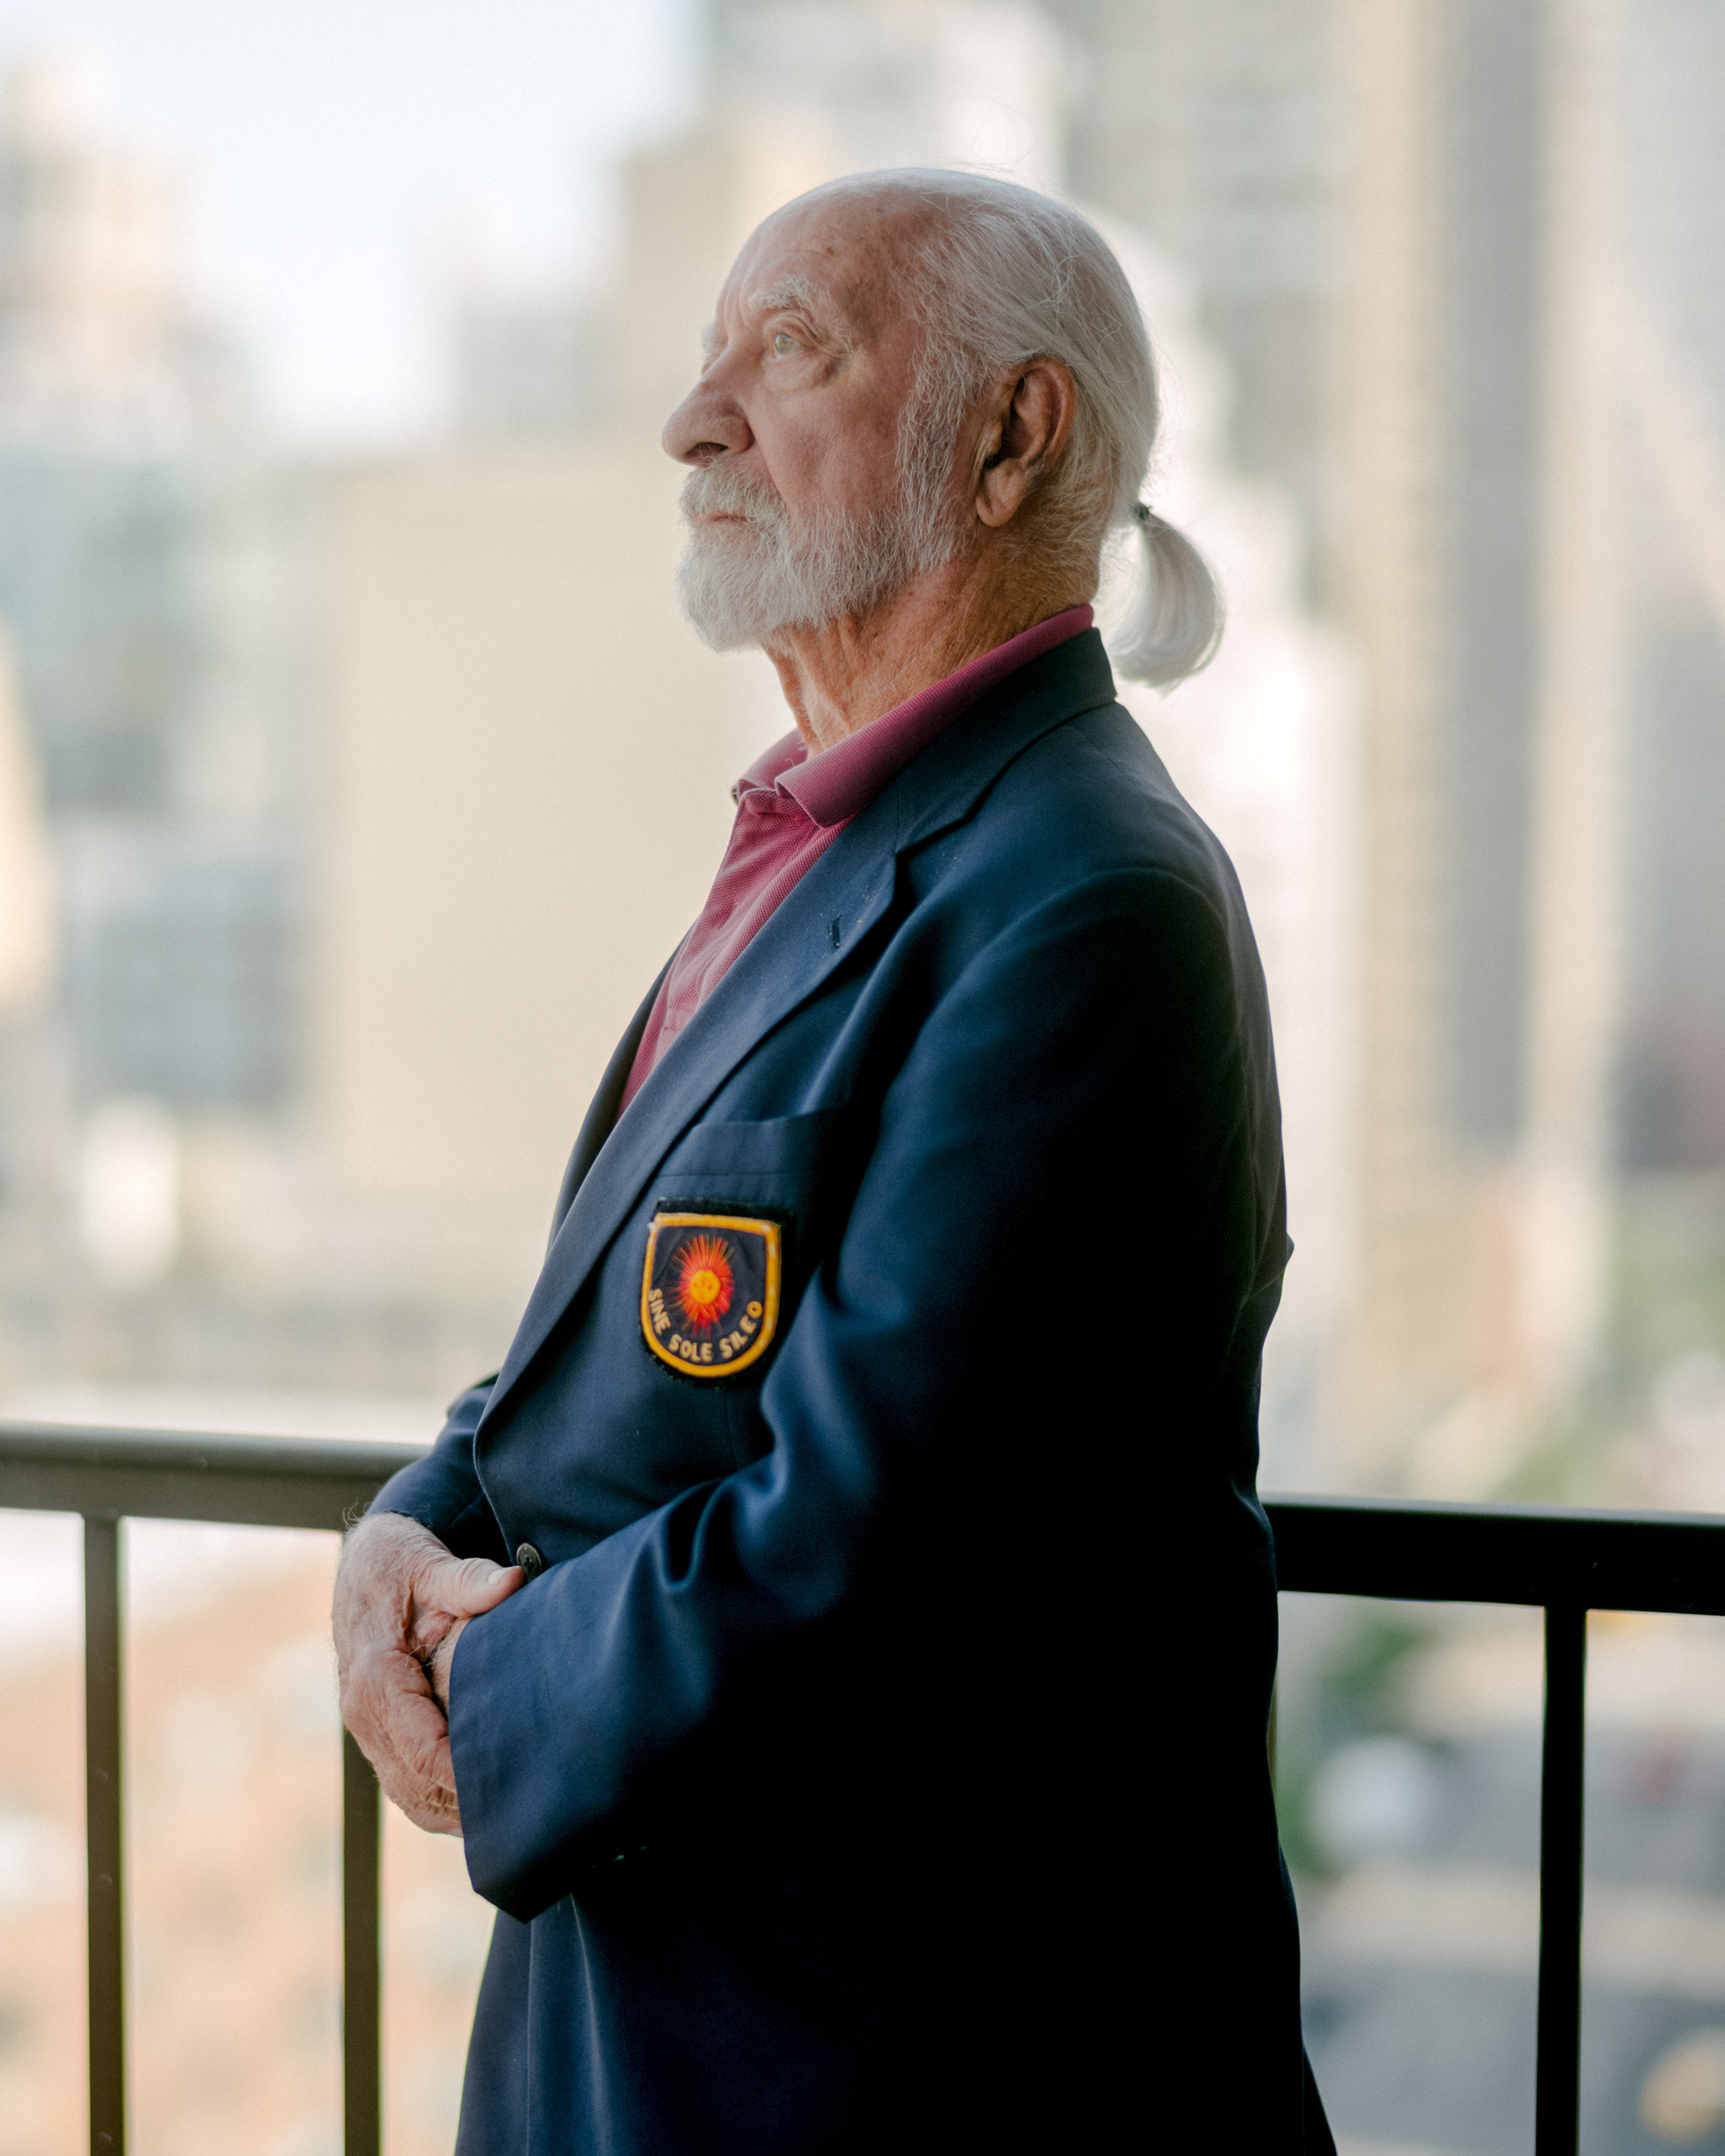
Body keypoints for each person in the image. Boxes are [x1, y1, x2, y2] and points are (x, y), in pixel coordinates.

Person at [333, 167, 1334, 2153]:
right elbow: (630, 1345)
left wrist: (493, 1677)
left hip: (910, 2068)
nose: (695, 421)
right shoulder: (835, 844)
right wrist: (411, 1520)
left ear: (1006, 434)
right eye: (705, 362)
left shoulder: (1087, 897)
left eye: (789, 351)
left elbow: (873, 1541)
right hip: (675, 2029)